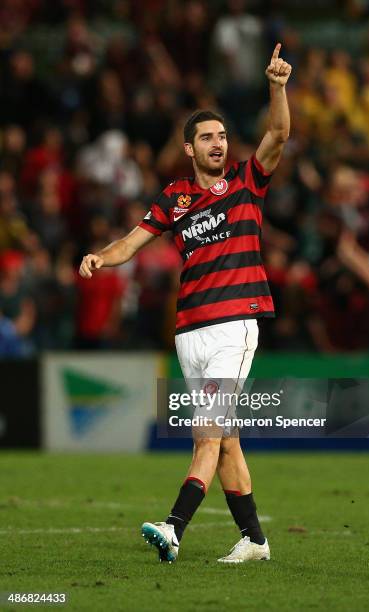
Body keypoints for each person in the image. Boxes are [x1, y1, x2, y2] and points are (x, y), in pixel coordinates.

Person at [79, 44, 292, 563]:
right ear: (189, 148)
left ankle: (173, 527)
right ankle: (255, 541)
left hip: (233, 325)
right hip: (189, 332)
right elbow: (131, 242)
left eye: (222, 135)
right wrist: (102, 258)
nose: (218, 143)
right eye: (207, 137)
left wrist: (278, 87)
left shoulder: (246, 181)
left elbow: (280, 134)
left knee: (205, 433)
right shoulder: (174, 198)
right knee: (227, 440)